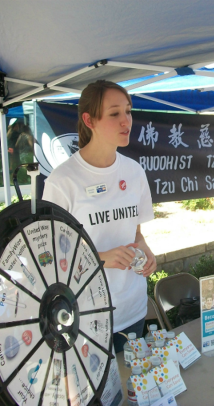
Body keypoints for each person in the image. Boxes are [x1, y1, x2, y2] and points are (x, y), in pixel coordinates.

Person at [42, 80, 157, 353]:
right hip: (86, 317)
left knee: (134, 390)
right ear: (89, 120)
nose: (125, 120)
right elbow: (50, 256)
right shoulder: (62, 181)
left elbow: (136, 233)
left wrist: (146, 252)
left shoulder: (134, 172)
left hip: (133, 309)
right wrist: (101, 258)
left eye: (128, 111)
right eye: (114, 113)